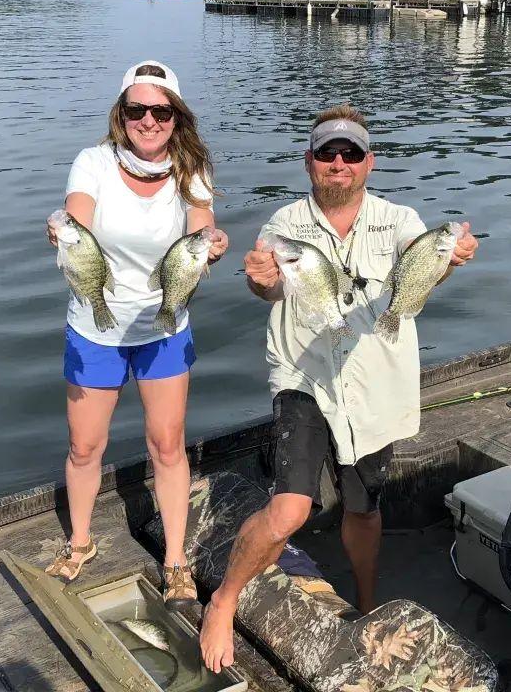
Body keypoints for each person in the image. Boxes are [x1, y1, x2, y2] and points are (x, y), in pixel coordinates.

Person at [199, 104, 478, 671]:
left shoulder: (400, 222)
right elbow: (269, 291)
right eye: (327, 152)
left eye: (351, 153)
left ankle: (368, 602)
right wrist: (260, 280)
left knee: (364, 507)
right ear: (309, 162)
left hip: (374, 384)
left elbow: (420, 274)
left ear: (368, 163)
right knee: (289, 511)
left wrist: (450, 258)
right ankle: (224, 600)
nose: (339, 163)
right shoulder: (283, 227)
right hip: (305, 376)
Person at [44, 61, 229, 602]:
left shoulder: (192, 169)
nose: (149, 121)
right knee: (85, 446)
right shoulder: (93, 163)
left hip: (163, 324)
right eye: (137, 109)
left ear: (178, 117)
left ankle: (175, 562)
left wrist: (211, 245)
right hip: (94, 327)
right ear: (121, 114)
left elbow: (201, 231)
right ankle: (79, 543)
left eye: (161, 110)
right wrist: (61, 230)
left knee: (167, 445)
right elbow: (75, 214)